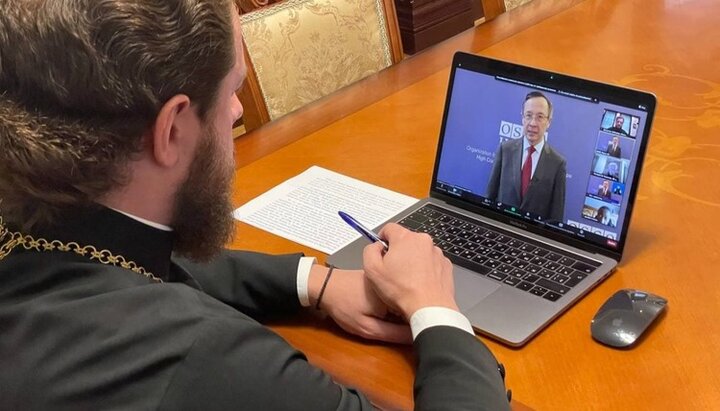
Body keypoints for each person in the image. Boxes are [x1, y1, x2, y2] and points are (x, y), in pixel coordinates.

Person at [0, 1, 510, 410]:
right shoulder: (207, 359)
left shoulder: (35, 211)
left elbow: (126, 255)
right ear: (173, 128)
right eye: (233, 90)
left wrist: (316, 282)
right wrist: (435, 310)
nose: (239, 111)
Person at [486, 91, 567, 222]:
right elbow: (489, 199)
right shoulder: (505, 150)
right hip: (500, 228)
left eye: (540, 117)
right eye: (528, 115)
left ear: (549, 122)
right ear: (522, 118)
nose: (533, 123)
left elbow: (556, 219)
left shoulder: (558, 163)